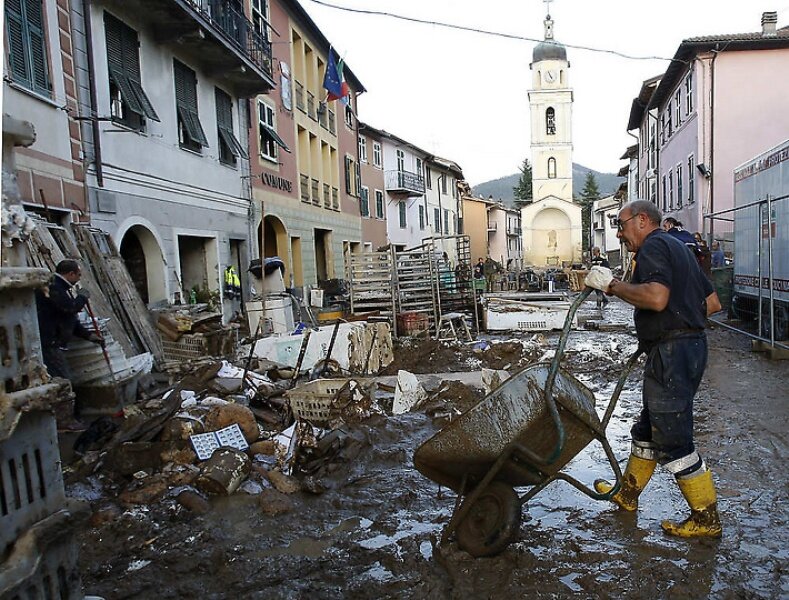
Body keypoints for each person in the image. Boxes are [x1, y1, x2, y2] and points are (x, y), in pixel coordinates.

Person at [585, 200, 723, 538]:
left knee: (675, 441)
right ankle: (628, 494)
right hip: (688, 348)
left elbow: (657, 298)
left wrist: (611, 286)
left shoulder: (654, 246)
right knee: (647, 430)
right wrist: (682, 323)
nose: (619, 232)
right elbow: (713, 304)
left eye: (621, 224)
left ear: (642, 220)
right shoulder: (679, 248)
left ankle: (706, 519)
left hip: (673, 353)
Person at [36, 259, 104, 381]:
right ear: (71, 274)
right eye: (78, 275)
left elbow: (68, 319)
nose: (79, 279)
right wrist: (82, 298)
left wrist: (88, 335)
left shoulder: (59, 288)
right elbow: (70, 308)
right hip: (49, 343)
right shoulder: (53, 287)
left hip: (53, 343)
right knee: (62, 381)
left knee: (62, 379)